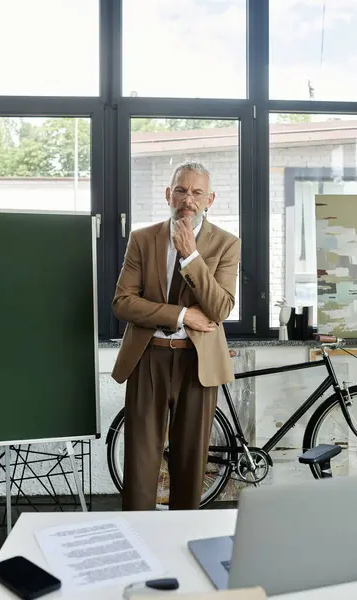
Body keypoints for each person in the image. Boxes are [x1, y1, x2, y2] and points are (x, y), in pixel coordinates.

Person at [111, 161, 241, 511]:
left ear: (210, 199)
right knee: (140, 460)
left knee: (191, 460)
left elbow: (221, 308)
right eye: (181, 190)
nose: (188, 199)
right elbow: (123, 303)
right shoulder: (142, 239)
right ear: (169, 194)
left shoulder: (227, 244)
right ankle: (137, 544)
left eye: (197, 192)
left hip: (197, 362)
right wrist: (182, 315)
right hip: (148, 356)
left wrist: (191, 256)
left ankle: (184, 541)